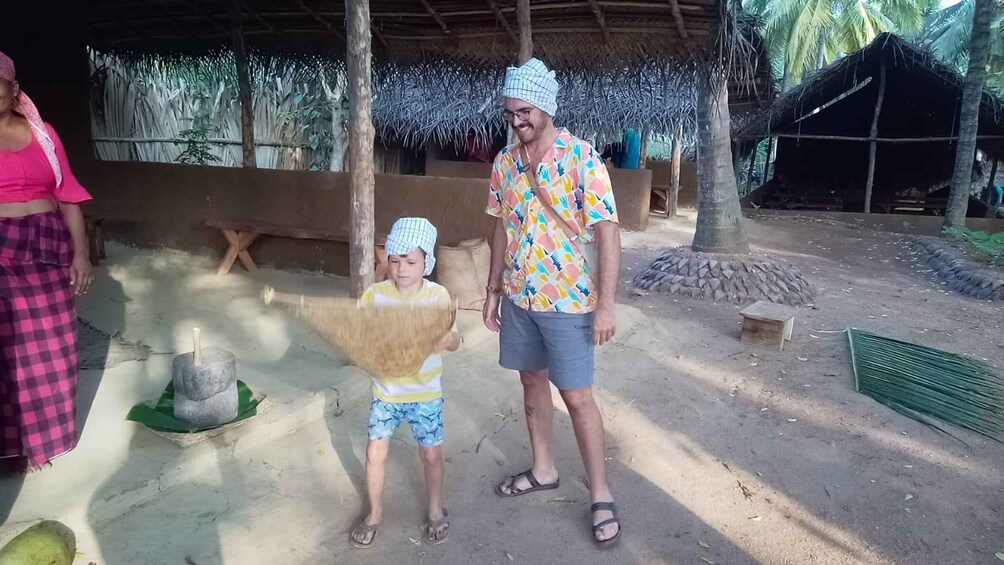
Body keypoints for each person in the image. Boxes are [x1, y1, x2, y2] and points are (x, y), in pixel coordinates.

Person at [483, 57, 623, 548]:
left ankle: (601, 494)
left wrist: (605, 305)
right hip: (520, 295)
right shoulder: (505, 162)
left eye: (523, 112)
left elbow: (607, 234)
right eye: (509, 113)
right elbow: (500, 224)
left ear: (545, 107)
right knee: (530, 382)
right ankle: (544, 469)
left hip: (568, 301)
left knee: (578, 397)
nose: (515, 121)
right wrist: (492, 288)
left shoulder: (583, 158)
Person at [0, 51, 93, 473]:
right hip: (2, 249)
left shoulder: (44, 134)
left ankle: (44, 442)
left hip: (48, 246)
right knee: (9, 349)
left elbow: (68, 195)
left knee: (51, 349)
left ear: (13, 90)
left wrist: (82, 253)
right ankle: (12, 446)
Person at [350, 217, 461, 549]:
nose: (401, 269)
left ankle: (434, 509)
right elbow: (360, 336)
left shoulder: (438, 296)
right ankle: (374, 513)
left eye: (410, 261)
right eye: (395, 261)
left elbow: (455, 340)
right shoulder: (375, 295)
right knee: (375, 452)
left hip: (424, 394)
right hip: (386, 393)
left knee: (430, 456)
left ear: (427, 261)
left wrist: (443, 340)